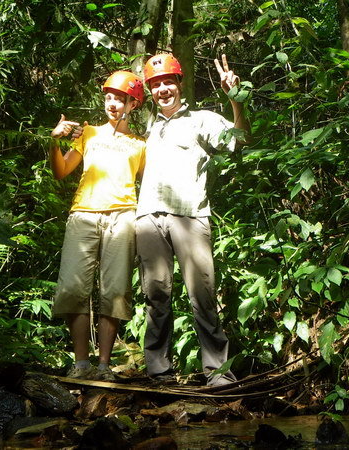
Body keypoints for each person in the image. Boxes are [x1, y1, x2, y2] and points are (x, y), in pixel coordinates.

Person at [136, 53, 248, 386]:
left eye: (168, 81)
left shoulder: (202, 120)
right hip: (148, 217)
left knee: (203, 294)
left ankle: (217, 372)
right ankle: (159, 371)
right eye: (155, 85)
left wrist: (236, 100)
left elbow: (239, 140)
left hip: (190, 215)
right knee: (155, 297)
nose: (163, 90)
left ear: (180, 83)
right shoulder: (150, 128)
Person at [49, 71, 146, 381]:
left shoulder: (140, 145)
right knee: (74, 288)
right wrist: (54, 142)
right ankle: (81, 364)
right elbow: (61, 171)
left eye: (120, 99)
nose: (112, 104)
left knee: (115, 291)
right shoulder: (87, 133)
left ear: (133, 104)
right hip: (84, 215)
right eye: (108, 98)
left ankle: (104, 367)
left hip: (123, 216)